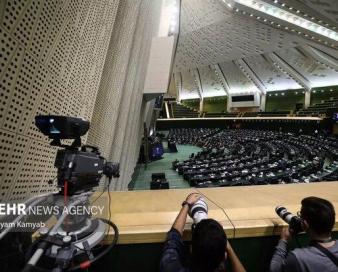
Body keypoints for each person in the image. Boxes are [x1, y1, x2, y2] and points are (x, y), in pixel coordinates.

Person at [160, 193, 246, 272]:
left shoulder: (170, 268)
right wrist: (227, 246)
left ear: (191, 249)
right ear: (225, 256)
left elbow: (173, 238)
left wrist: (187, 204)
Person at [270, 196, 338, 272]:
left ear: (305, 225)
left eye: (300, 216)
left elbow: (274, 269)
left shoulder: (298, 257)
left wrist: (283, 241)